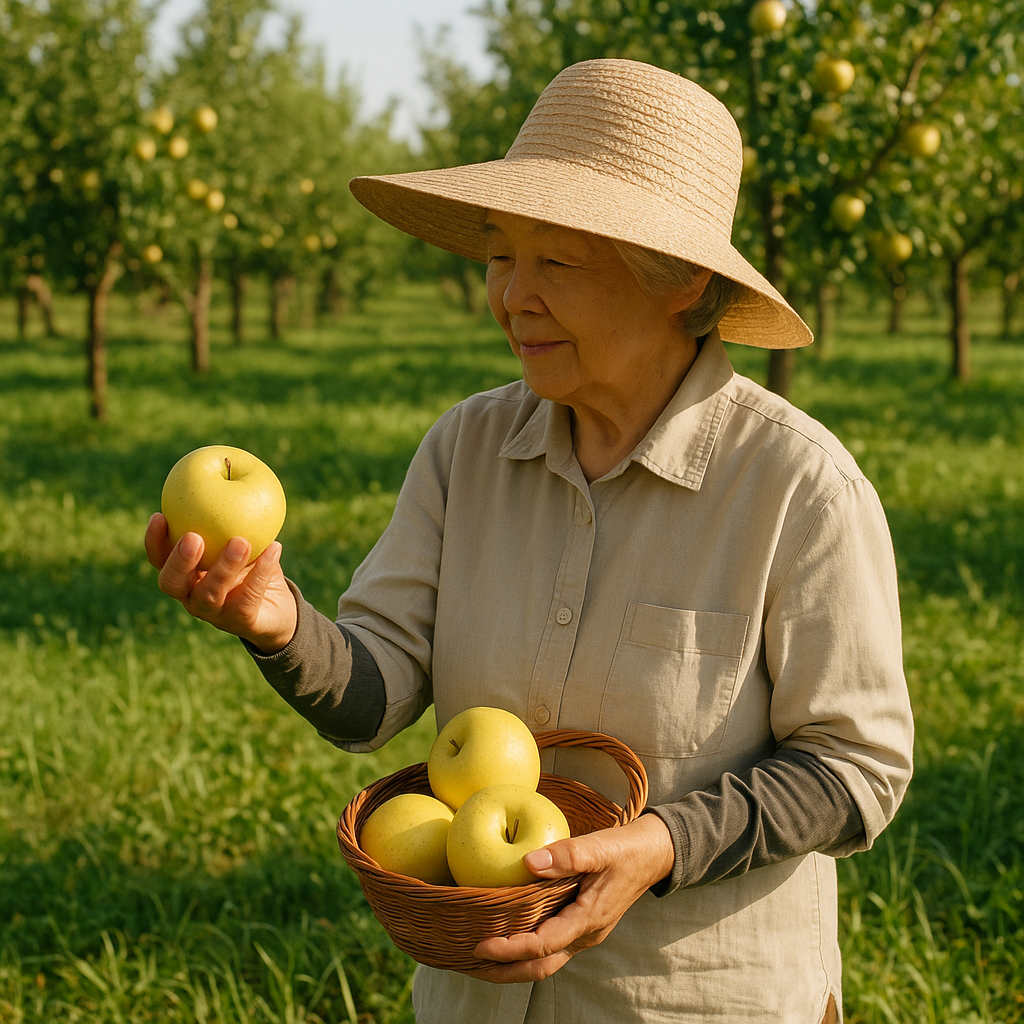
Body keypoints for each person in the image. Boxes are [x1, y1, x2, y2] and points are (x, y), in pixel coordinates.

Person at [146, 59, 914, 1024]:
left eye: (557, 262)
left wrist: (665, 844)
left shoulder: (796, 489)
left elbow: (857, 770)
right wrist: (277, 622)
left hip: (691, 1001)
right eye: (501, 254)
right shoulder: (466, 451)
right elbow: (374, 696)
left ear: (678, 279)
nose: (511, 296)